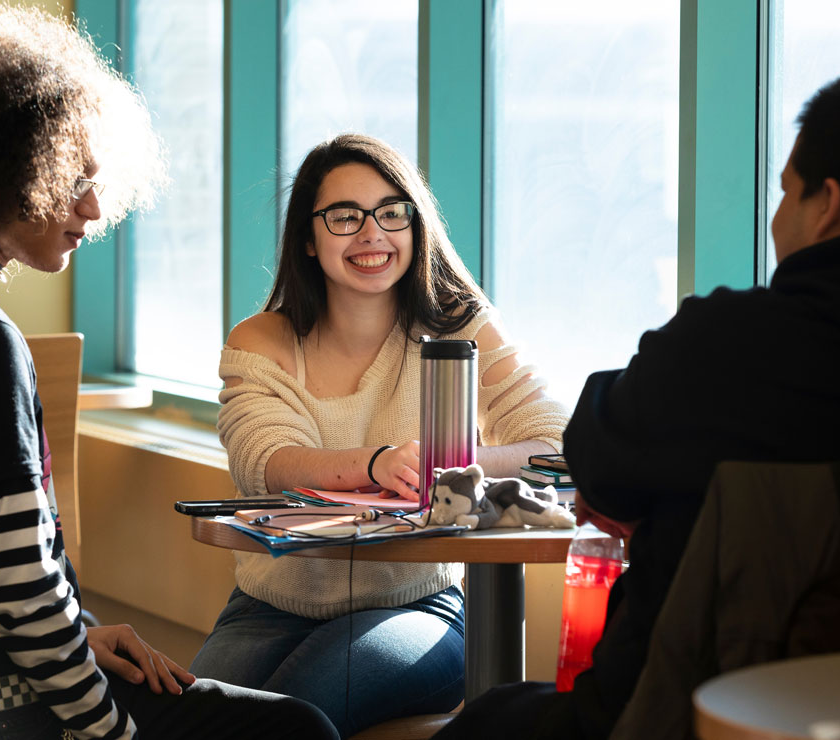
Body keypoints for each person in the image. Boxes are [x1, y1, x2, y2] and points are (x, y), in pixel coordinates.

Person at [432, 68, 840, 740]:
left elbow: (596, 461)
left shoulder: (730, 350)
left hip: (660, 709)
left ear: (826, 203)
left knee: (482, 723)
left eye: (784, 194)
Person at [0, 6, 340, 739]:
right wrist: (103, 726)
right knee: (297, 729)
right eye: (71, 177)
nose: (92, 206)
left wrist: (79, 630)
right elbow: (15, 588)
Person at [189, 133, 570, 737]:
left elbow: (553, 446)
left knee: (291, 714)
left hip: (421, 605)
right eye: (345, 217)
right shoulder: (260, 339)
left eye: (392, 213)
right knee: (187, 724)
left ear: (415, 226)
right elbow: (266, 461)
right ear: (308, 241)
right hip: (269, 607)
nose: (372, 233)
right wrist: (377, 464)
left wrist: (446, 466)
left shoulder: (461, 325)